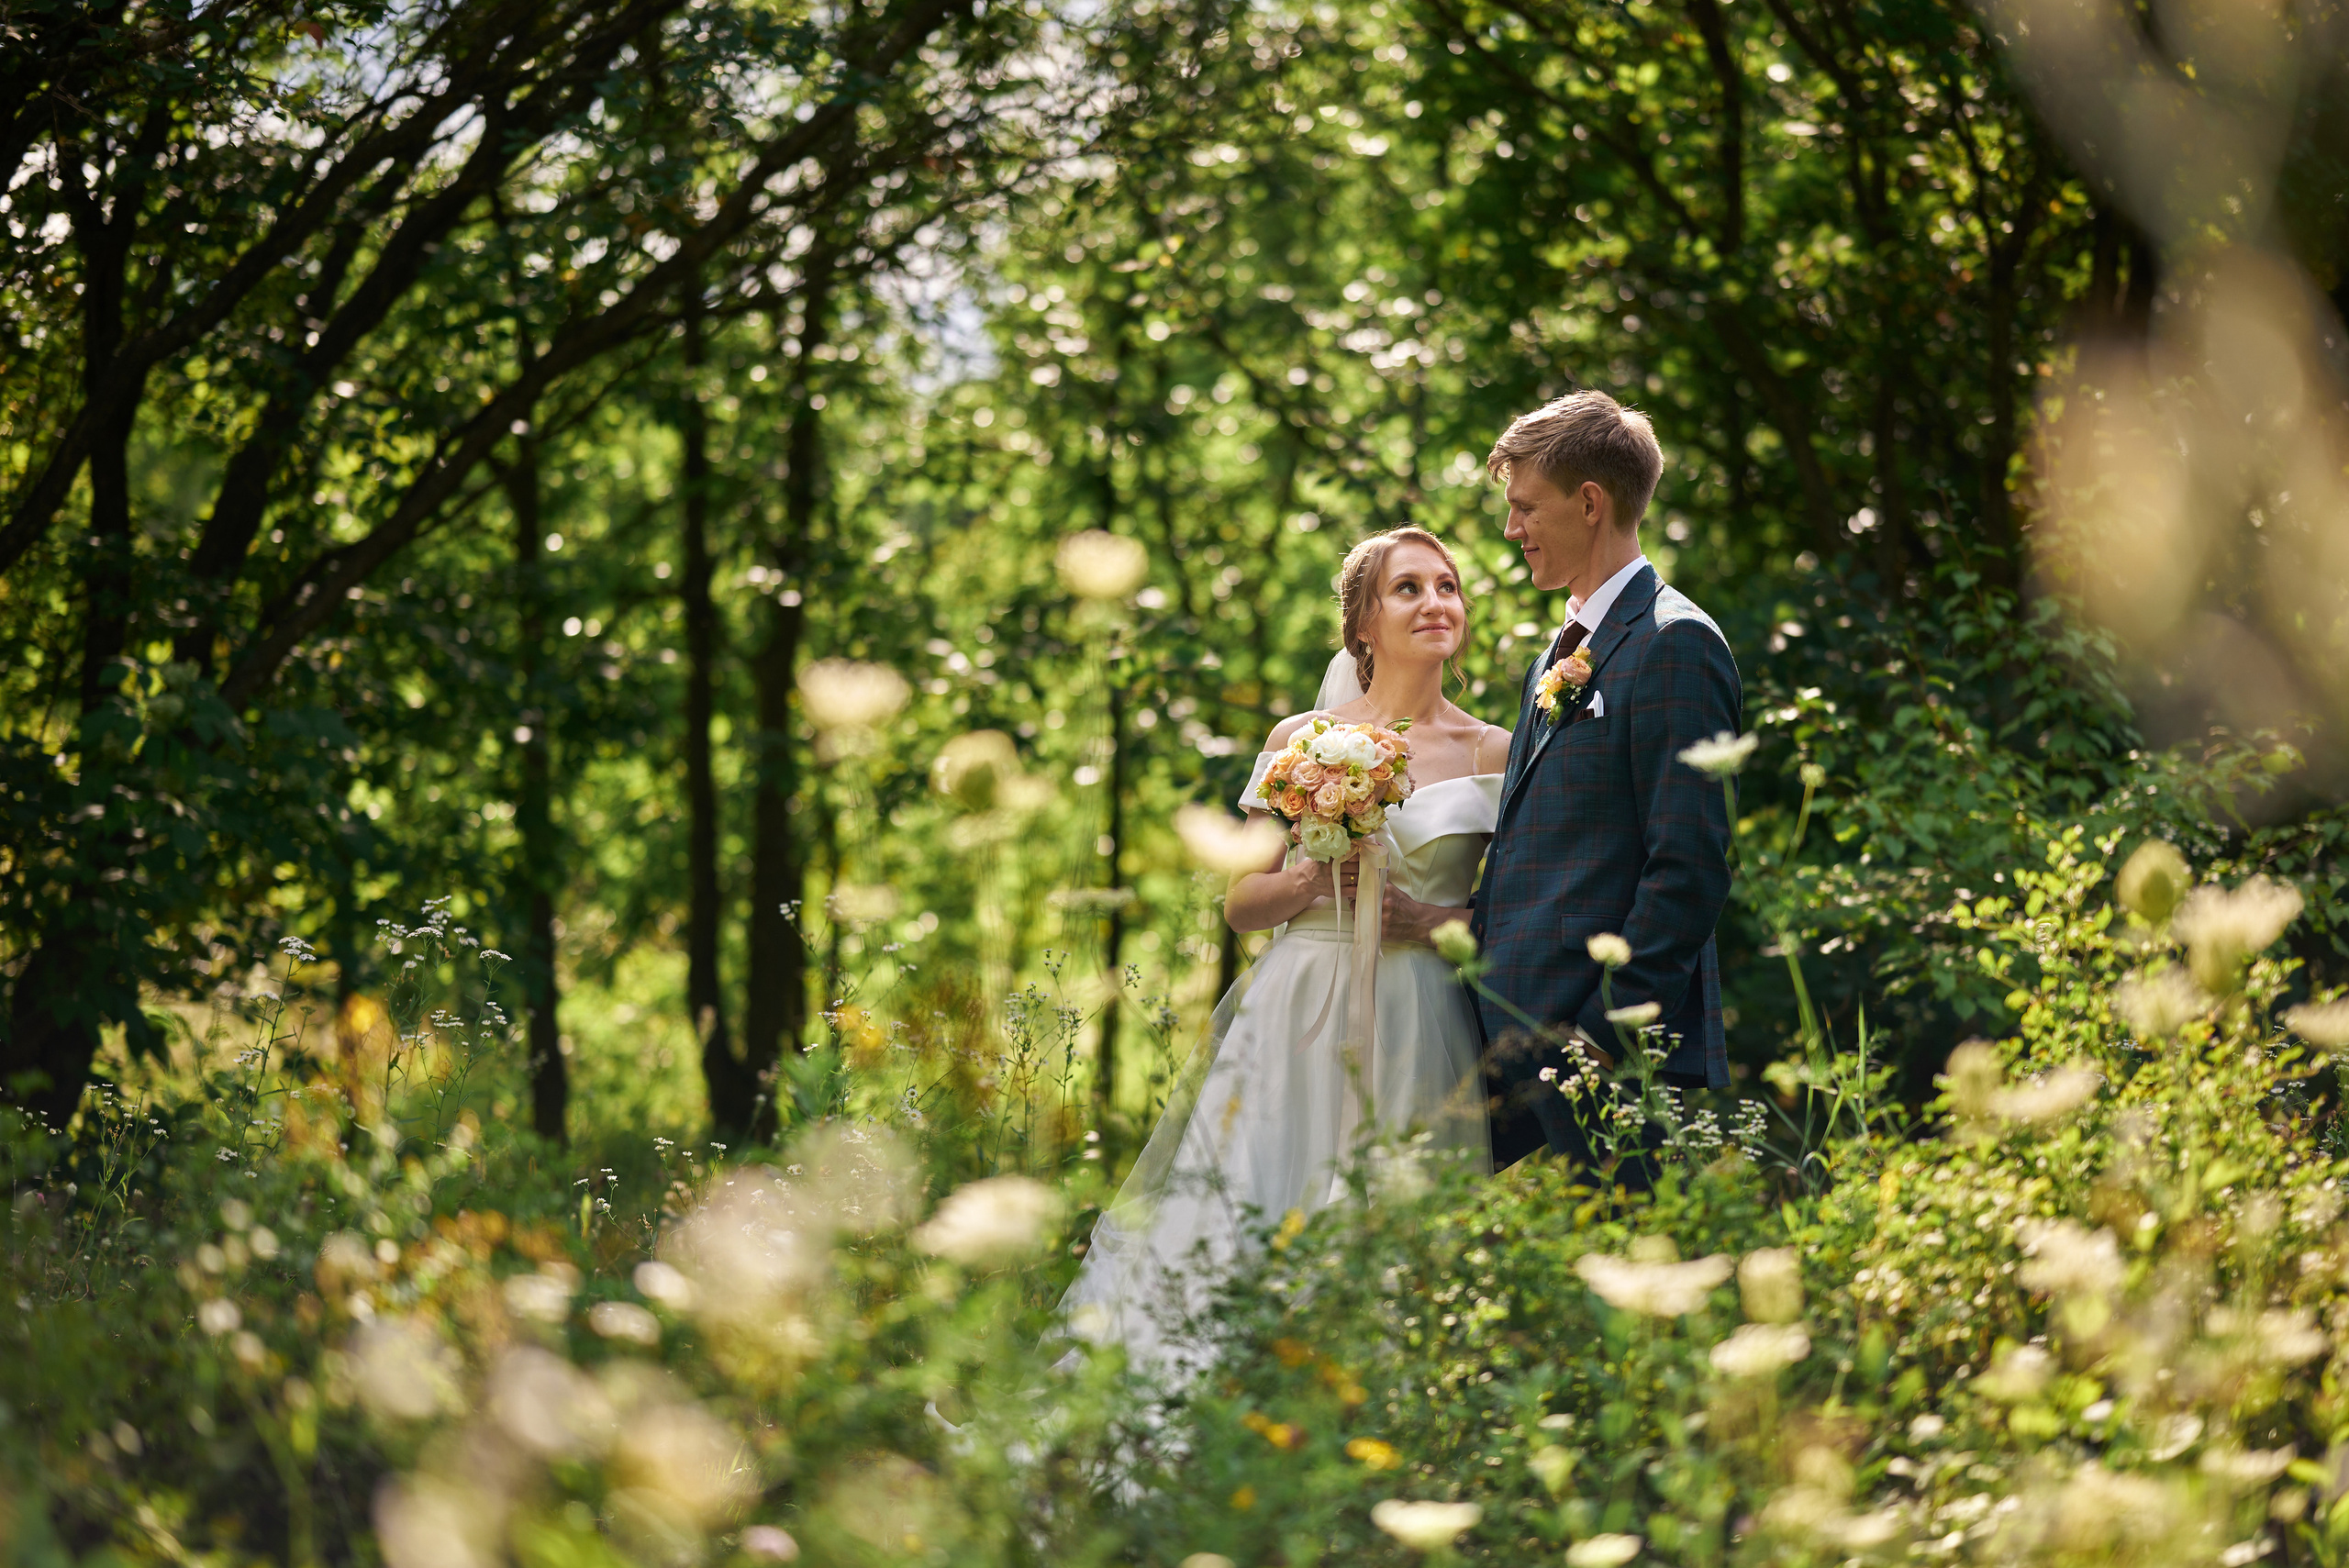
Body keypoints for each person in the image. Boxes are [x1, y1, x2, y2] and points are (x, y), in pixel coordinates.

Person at [1060, 527, 1508, 1378]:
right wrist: (1312, 882)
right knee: (1261, 1197)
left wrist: (1432, 919)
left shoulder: (1495, 749)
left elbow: (1504, 914)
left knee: (1396, 1211)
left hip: (1418, 1011)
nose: (1435, 603)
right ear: (1363, 625)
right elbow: (1241, 904)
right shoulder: (1303, 736)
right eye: (1407, 588)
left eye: (1447, 587)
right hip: (1299, 998)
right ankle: (1217, 1391)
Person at [1470, 390, 1742, 1173]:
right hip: (1513, 1052)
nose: (1511, 529)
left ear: (1590, 502)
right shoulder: (1554, 655)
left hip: (1604, 1062)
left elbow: (1689, 864)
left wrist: (1602, 1036)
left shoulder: (1675, 642)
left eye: (1525, 508)